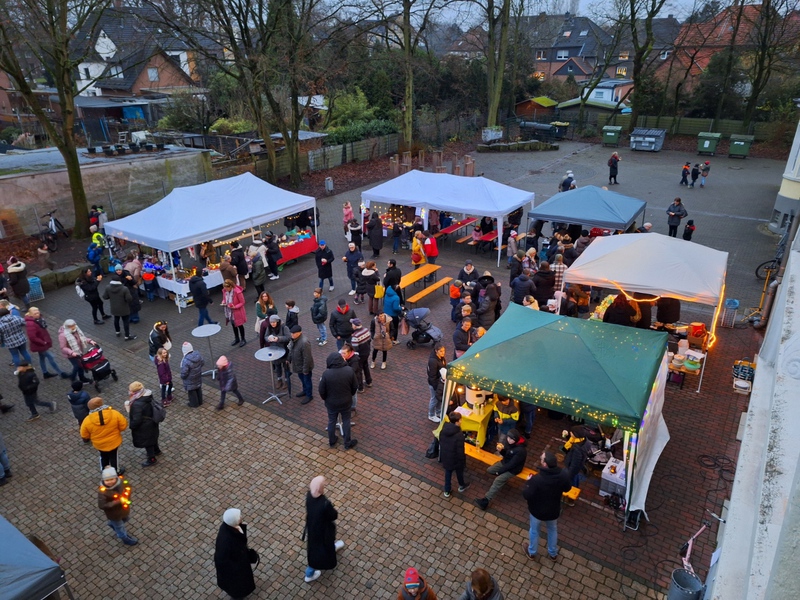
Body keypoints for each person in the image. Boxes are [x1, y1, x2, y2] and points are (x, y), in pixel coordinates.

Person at [522, 451, 572, 562]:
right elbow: (567, 488)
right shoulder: (562, 475)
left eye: (542, 458)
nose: (540, 457)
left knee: (534, 531)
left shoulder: (536, 479)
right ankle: (553, 554)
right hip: (553, 510)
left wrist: (528, 482)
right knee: (552, 530)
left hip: (537, 511)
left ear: (545, 464)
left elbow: (526, 494)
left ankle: (532, 552)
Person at [304, 476, 345, 583]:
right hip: (324, 530)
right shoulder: (324, 503)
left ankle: (310, 572)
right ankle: (309, 574)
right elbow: (333, 515)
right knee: (320, 549)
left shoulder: (309, 496)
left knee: (314, 548)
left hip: (313, 528)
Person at [474, 429, 527, 510]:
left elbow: (512, 464)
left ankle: (486, 500)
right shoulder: (510, 443)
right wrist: (501, 451)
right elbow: (507, 455)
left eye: (511, 439)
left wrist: (499, 472)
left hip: (513, 469)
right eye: (508, 437)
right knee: (490, 470)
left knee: (497, 480)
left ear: (515, 439)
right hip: (505, 462)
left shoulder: (521, 451)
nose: (508, 440)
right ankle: (503, 480)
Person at [214, 508, 256, 599]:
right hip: (234, 571)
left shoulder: (229, 528)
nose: (241, 517)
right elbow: (223, 559)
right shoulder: (226, 541)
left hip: (238, 564)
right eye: (239, 516)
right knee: (238, 588)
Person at [319, 351, 358, 449]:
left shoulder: (326, 374)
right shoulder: (349, 371)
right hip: (346, 401)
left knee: (332, 421)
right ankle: (347, 442)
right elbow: (355, 386)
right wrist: (350, 395)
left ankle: (332, 441)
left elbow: (321, 390)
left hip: (331, 403)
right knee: (346, 420)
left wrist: (325, 398)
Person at [81, 397, 128, 472]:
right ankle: (116, 471)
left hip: (100, 444)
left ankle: (104, 471)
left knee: (103, 457)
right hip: (113, 441)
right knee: (114, 457)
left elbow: (84, 435)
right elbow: (123, 426)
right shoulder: (114, 413)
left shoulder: (87, 420)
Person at [97, 466, 138, 546]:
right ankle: (125, 539)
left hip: (124, 509)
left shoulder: (121, 481)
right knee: (120, 528)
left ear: (115, 477)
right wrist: (118, 501)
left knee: (126, 519)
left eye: (112, 479)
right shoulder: (103, 492)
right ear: (103, 480)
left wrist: (127, 497)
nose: (110, 482)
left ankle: (112, 525)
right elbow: (102, 505)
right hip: (114, 514)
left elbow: (128, 487)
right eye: (107, 480)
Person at [25, 307, 69, 378]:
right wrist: (43, 342)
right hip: (40, 344)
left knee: (42, 357)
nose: (37, 314)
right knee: (51, 357)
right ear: (30, 314)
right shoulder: (31, 324)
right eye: (35, 314)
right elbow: (32, 337)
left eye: (38, 312)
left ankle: (45, 373)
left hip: (42, 343)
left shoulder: (38, 320)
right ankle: (61, 373)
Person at [126, 381, 161, 467]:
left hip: (144, 426)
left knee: (147, 442)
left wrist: (132, 426)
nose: (129, 391)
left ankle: (152, 459)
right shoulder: (147, 394)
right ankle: (156, 450)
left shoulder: (137, 404)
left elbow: (137, 419)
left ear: (134, 392)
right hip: (152, 421)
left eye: (130, 390)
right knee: (152, 437)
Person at [438, 411, 469, 498]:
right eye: (460, 420)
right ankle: (461, 485)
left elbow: (440, 439)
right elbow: (460, 450)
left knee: (448, 473)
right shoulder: (459, 435)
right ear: (457, 422)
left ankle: (447, 490)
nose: (461, 421)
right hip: (455, 458)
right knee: (459, 472)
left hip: (446, 455)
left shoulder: (444, 428)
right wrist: (462, 460)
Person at [261, 315, 292, 393]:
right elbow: (265, 336)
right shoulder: (269, 328)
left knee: (286, 367)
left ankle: (286, 380)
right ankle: (279, 379)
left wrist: (278, 338)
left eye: (274, 322)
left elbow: (288, 337)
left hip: (284, 350)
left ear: (277, 322)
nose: (272, 324)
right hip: (274, 350)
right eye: (271, 322)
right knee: (277, 366)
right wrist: (269, 338)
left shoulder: (284, 327)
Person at [103, 276, 136, 340]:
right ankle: (127, 336)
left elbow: (105, 297)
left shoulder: (108, 287)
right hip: (124, 308)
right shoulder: (124, 288)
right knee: (125, 321)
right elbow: (129, 299)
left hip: (114, 307)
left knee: (116, 319)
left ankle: (117, 331)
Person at [288, 325, 314, 404]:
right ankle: (305, 391)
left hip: (304, 367)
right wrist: (289, 358)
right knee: (302, 380)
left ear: (300, 333)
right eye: (291, 333)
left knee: (307, 381)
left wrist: (305, 370)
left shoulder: (304, 342)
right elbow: (291, 350)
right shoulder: (294, 340)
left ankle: (309, 395)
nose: (292, 335)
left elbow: (307, 358)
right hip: (298, 365)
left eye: (294, 333)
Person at [220, 279, 247, 347]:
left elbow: (242, 302)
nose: (225, 289)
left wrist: (235, 307)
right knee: (233, 325)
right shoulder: (225, 291)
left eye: (227, 288)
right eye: (225, 288)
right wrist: (223, 302)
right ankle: (237, 338)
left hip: (237, 312)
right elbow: (224, 299)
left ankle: (243, 339)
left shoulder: (237, 292)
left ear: (231, 286)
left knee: (240, 326)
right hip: (230, 312)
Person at [349, 318, 372, 391]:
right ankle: (369, 381)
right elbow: (369, 340)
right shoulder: (366, 330)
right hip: (367, 352)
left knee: (359, 371)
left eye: (352, 324)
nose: (351, 325)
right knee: (366, 366)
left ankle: (360, 387)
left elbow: (354, 348)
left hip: (359, 355)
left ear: (355, 326)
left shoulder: (355, 336)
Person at [180, 342, 205, 407]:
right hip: (198, 375)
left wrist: (182, 377)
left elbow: (184, 372)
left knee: (192, 391)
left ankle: (194, 404)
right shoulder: (198, 354)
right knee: (198, 388)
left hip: (190, 379)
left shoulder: (185, 360)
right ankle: (200, 401)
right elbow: (202, 362)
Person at [426, 344, 447, 422]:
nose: (443, 353)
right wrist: (436, 387)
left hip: (440, 382)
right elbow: (432, 376)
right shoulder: (433, 361)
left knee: (439, 398)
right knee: (434, 399)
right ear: (436, 351)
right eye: (441, 351)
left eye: (443, 351)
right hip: (435, 384)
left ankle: (438, 412)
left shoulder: (441, 358)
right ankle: (431, 415)